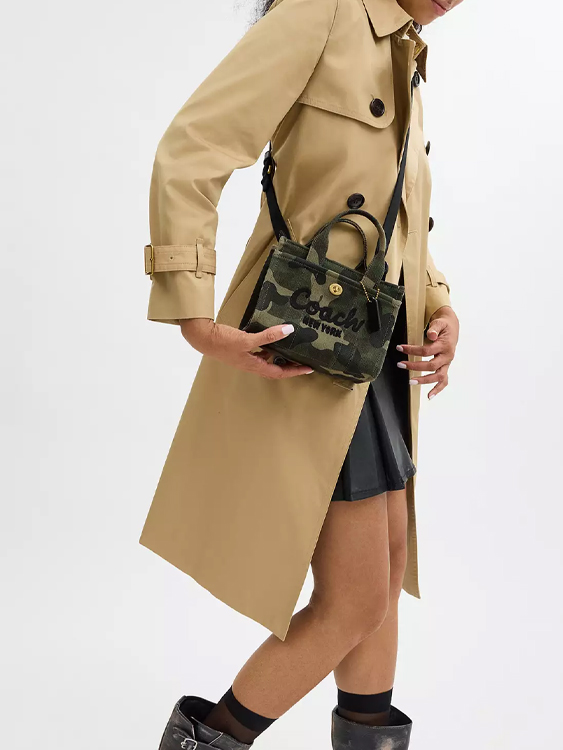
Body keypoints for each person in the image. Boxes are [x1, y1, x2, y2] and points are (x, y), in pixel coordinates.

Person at [139, 0, 463, 748]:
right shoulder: (321, 11)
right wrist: (193, 313)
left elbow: (397, 219)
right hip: (308, 342)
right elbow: (190, 150)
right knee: (355, 601)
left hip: (374, 346)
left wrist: (440, 302)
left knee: (383, 580)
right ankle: (203, 741)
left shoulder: (405, 49)